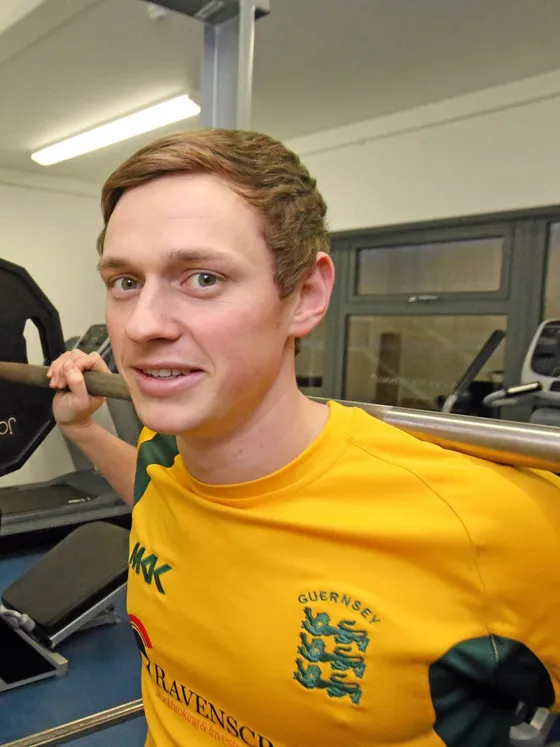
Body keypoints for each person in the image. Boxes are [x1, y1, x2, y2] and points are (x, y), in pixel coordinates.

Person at [47, 129, 560, 747]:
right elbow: (165, 504)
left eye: (203, 278)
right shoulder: (167, 449)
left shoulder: (492, 524)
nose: (143, 324)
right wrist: (83, 430)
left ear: (306, 297)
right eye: (125, 282)